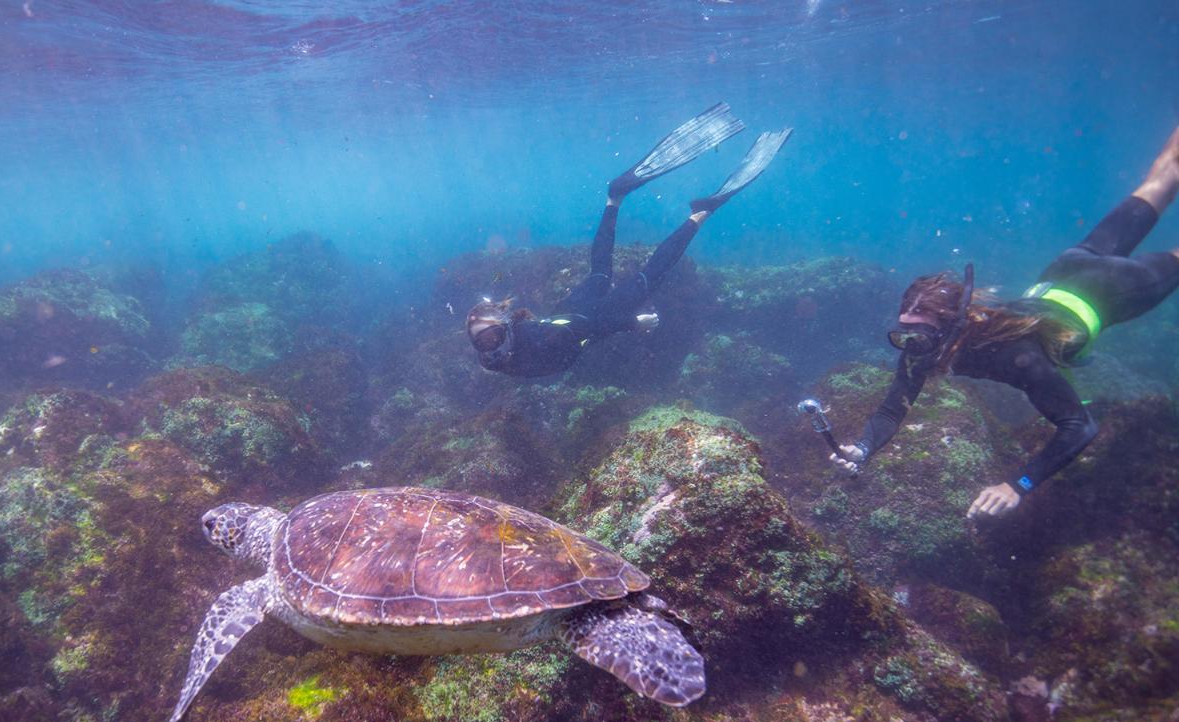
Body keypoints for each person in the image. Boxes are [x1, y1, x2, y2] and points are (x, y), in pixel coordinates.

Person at [831, 125, 1179, 519]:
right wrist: (863, 447)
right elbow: (892, 410)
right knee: (1159, 180)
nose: (911, 347)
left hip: (1113, 289)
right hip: (1066, 270)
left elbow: (1080, 425)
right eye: (904, 335)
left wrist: (1018, 484)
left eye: (921, 337)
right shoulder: (923, 346)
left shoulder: (1016, 355)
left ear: (953, 327)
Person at [467, 102, 791, 378]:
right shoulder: (500, 358)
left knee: (649, 276)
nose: (488, 348)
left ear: (506, 329)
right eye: (480, 342)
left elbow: (588, 328)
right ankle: (615, 198)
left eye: (491, 338)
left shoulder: (539, 345)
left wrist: (632, 323)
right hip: (570, 310)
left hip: (586, 319)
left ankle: (700, 214)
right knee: (599, 272)